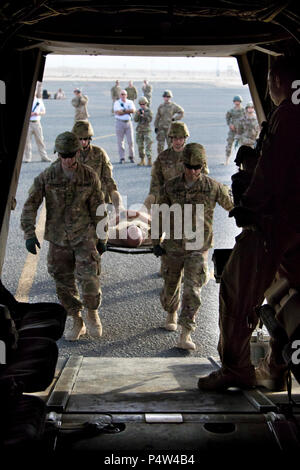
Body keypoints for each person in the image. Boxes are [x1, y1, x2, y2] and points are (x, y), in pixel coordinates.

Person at [197, 56, 300, 392]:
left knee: (236, 290)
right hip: (293, 228)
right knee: (288, 295)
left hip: (274, 225)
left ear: (276, 81)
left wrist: (249, 206)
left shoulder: (287, 114)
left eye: (270, 80)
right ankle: (275, 367)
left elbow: (272, 172)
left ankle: (236, 368)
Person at [20, 131, 108, 342]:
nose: (68, 160)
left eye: (71, 155)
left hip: (83, 236)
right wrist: (29, 234)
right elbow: (30, 205)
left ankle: (92, 313)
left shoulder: (89, 176)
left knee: (89, 279)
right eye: (63, 155)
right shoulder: (47, 176)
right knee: (63, 282)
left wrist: (102, 236)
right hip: (58, 238)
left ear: (77, 153)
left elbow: (99, 207)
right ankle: (75, 318)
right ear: (57, 154)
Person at [151, 143, 233, 349]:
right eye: (189, 167)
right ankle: (171, 311)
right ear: (183, 165)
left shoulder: (212, 187)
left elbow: (232, 206)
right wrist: (155, 241)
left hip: (198, 247)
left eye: (197, 167)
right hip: (173, 246)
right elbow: (159, 213)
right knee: (170, 288)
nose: (193, 172)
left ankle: (186, 334)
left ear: (203, 166)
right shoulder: (170, 187)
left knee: (193, 291)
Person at [72, 120, 124, 210]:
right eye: (80, 139)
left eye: (85, 139)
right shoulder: (69, 155)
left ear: (90, 139)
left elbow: (108, 179)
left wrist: (117, 203)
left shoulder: (99, 153)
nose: (83, 142)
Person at [23, 92, 51, 163]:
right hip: (28, 123)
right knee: (27, 141)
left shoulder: (39, 101)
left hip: (37, 123)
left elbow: (44, 111)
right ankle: (28, 157)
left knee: (40, 140)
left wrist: (37, 113)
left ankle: (44, 156)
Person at [154, 90, 184, 155]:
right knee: (160, 145)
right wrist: (156, 126)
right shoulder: (161, 106)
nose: (166, 98)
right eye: (165, 96)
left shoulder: (173, 106)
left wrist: (175, 118)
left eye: (168, 97)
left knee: (170, 145)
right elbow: (157, 117)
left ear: (170, 97)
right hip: (161, 128)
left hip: (169, 128)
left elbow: (181, 112)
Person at [114, 89, 136, 164]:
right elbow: (118, 112)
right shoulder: (117, 103)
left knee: (131, 141)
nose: (123, 96)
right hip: (119, 123)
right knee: (120, 141)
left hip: (128, 123)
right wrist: (127, 111)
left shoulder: (130, 102)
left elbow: (133, 110)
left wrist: (124, 111)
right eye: (122, 94)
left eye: (124, 94)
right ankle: (122, 157)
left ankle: (131, 156)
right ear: (120, 95)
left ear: (126, 95)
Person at [225, 95, 245, 165]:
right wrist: (230, 124)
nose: (237, 103)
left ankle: (242, 162)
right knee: (229, 144)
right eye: (236, 101)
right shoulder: (231, 111)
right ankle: (227, 160)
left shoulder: (243, 110)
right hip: (232, 131)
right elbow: (227, 118)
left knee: (242, 146)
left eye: (238, 101)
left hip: (240, 131)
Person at [134, 96, 153, 167]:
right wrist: (138, 114)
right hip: (139, 130)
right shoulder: (138, 111)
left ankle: (149, 160)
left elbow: (149, 119)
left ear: (146, 103)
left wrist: (144, 115)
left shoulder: (149, 111)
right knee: (140, 146)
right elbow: (135, 120)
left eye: (143, 104)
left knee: (148, 145)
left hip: (147, 130)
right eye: (141, 104)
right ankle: (142, 160)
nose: (142, 105)